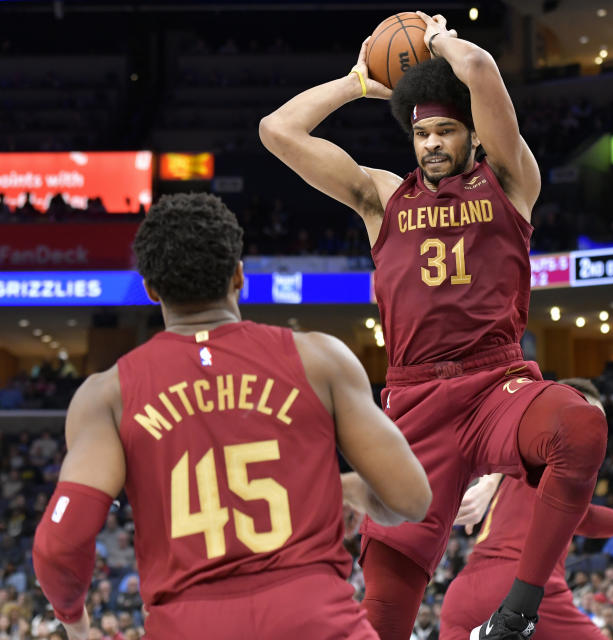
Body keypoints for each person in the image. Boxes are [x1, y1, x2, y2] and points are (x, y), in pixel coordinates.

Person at [260, 12, 610, 640]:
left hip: (495, 383)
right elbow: (277, 130)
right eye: (421, 134)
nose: (430, 145)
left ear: (474, 136)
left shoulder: (509, 182)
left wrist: (438, 40)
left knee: (580, 423)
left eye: (445, 131)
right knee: (384, 615)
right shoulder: (382, 197)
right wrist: (357, 83)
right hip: (414, 400)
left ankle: (519, 610)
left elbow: (477, 70)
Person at [31, 193, 432, 639]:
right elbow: (411, 499)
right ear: (239, 275)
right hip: (315, 619)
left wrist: (76, 624)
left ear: (150, 289)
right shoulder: (320, 359)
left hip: (189, 625)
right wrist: (353, 490)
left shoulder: (106, 396)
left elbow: (58, 547)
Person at [441, 378, 613, 639]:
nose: (596, 434)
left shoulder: (522, 457)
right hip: (516, 583)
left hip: (463, 593)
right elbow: (585, 519)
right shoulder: (560, 452)